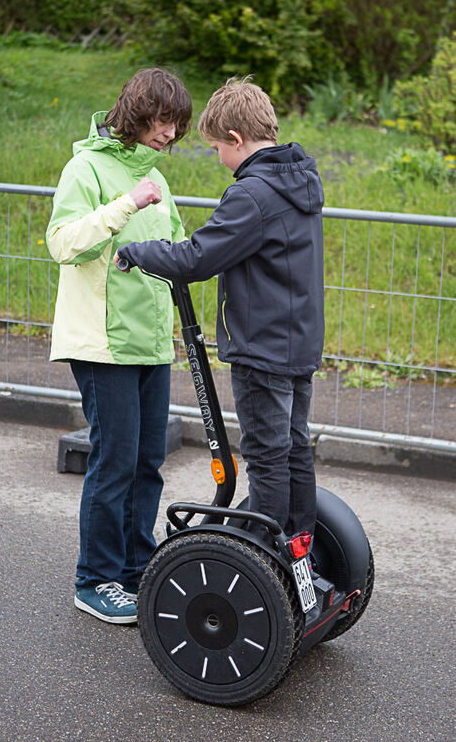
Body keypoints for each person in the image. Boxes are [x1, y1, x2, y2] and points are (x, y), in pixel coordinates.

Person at [115, 77, 324, 549]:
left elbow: (196, 259)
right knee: (293, 450)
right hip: (298, 341)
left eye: (216, 149)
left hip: (262, 348)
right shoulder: (301, 180)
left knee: (267, 456)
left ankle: (267, 555)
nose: (219, 160)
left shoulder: (252, 193)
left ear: (235, 140)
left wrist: (139, 250)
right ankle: (300, 542)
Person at [46, 68, 192, 624]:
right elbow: (63, 244)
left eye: (177, 124)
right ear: (137, 113)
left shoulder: (156, 176)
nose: (170, 133)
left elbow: (176, 246)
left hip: (152, 341)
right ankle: (96, 579)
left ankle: (137, 569)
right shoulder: (85, 167)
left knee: (148, 461)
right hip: (102, 344)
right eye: (163, 120)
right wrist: (126, 204)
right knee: (114, 462)